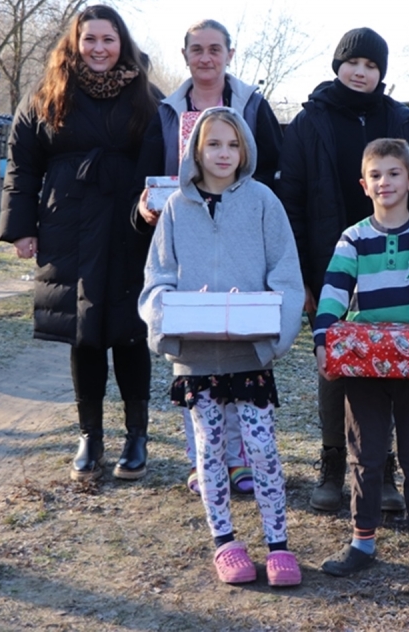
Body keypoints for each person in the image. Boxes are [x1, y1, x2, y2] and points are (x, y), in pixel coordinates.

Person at [138, 107, 305, 587]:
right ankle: (226, 542)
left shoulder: (263, 203)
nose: (224, 153)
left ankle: (277, 544)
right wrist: (173, 319)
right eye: (214, 144)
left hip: (248, 355)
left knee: (262, 448)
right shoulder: (174, 210)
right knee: (210, 450)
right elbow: (156, 283)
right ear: (196, 150)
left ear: (245, 149)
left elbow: (287, 278)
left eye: (232, 144)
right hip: (195, 359)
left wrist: (274, 338)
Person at [0, 5, 160, 482]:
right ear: (75, 43)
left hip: (130, 223)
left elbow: (166, 159)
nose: (98, 48)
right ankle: (90, 435)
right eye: (89, 39)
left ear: (121, 43)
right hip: (67, 222)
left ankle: (136, 435)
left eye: (108, 40)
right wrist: (21, 227)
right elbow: (22, 165)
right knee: (83, 329)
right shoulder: (48, 94)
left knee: (130, 328)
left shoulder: (146, 97)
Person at [277, 28, 409, 513]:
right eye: (353, 63)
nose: (361, 72)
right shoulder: (310, 121)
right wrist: (304, 275)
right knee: (336, 366)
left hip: (395, 266)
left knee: (390, 362)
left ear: (381, 73)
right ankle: (332, 465)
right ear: (337, 65)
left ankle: (382, 470)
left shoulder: (401, 120)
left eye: (371, 65)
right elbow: (293, 200)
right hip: (333, 261)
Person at [133, 19, 284, 498]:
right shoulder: (165, 110)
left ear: (229, 54)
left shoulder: (253, 106)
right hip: (188, 237)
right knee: (196, 357)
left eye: (214, 49)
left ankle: (241, 461)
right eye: (196, 49)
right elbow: (147, 175)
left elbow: (274, 170)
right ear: (185, 55)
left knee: (242, 349)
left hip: (241, 245)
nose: (205, 58)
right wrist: (147, 209)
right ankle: (202, 459)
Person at [312, 138, 409, 584]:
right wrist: (323, 336)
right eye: (376, 175)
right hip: (365, 368)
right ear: (364, 185)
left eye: (394, 173)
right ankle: (362, 542)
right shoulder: (353, 239)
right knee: (366, 454)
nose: (385, 182)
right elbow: (334, 292)